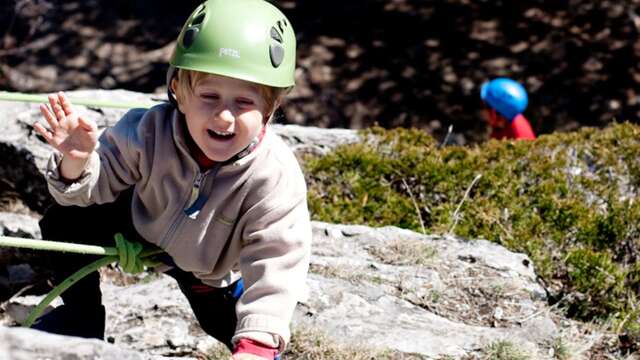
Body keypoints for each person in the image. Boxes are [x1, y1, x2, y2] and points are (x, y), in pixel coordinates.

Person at [31, 0, 311, 359]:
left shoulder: (273, 177)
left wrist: (256, 344)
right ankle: (80, 323)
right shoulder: (149, 131)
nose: (224, 116)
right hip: (139, 224)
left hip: (206, 268)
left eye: (244, 102)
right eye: (209, 95)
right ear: (178, 91)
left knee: (237, 330)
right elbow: (88, 188)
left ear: (270, 109)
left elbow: (276, 258)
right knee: (64, 220)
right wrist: (77, 161)